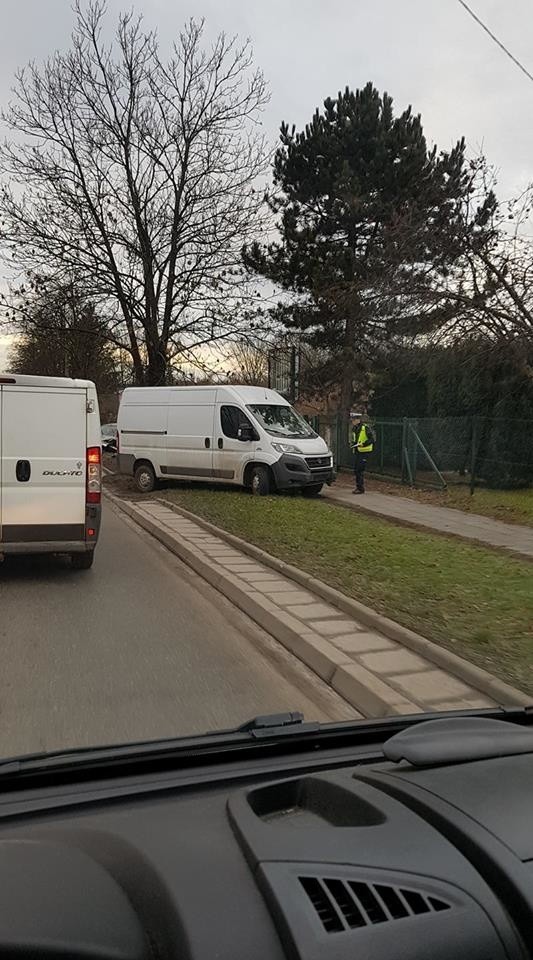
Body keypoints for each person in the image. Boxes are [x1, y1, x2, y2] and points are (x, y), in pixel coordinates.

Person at [350, 412, 375, 494]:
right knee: (357, 470)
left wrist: (363, 444)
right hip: (357, 451)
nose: (352, 421)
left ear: (358, 420)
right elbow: (355, 439)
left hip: (364, 452)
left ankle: (360, 488)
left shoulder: (365, 428)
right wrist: (353, 444)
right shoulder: (354, 428)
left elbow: (372, 439)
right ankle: (359, 487)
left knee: (359, 470)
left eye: (354, 420)